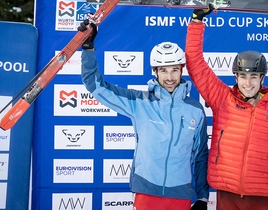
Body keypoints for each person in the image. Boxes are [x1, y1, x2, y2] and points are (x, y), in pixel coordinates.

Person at [78, 20, 209, 210]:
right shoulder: (139, 102)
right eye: (163, 70)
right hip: (146, 192)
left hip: (180, 194)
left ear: (182, 70)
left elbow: (200, 156)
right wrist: (88, 48)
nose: (170, 77)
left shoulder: (195, 109)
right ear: (155, 71)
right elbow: (95, 85)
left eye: (174, 70)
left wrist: (203, 196)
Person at [185, 7, 268, 210]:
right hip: (228, 192)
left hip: (261, 195)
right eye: (243, 76)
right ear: (236, 77)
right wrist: (196, 23)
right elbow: (195, 63)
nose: (248, 83)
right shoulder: (222, 98)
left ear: (262, 78)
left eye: (253, 76)